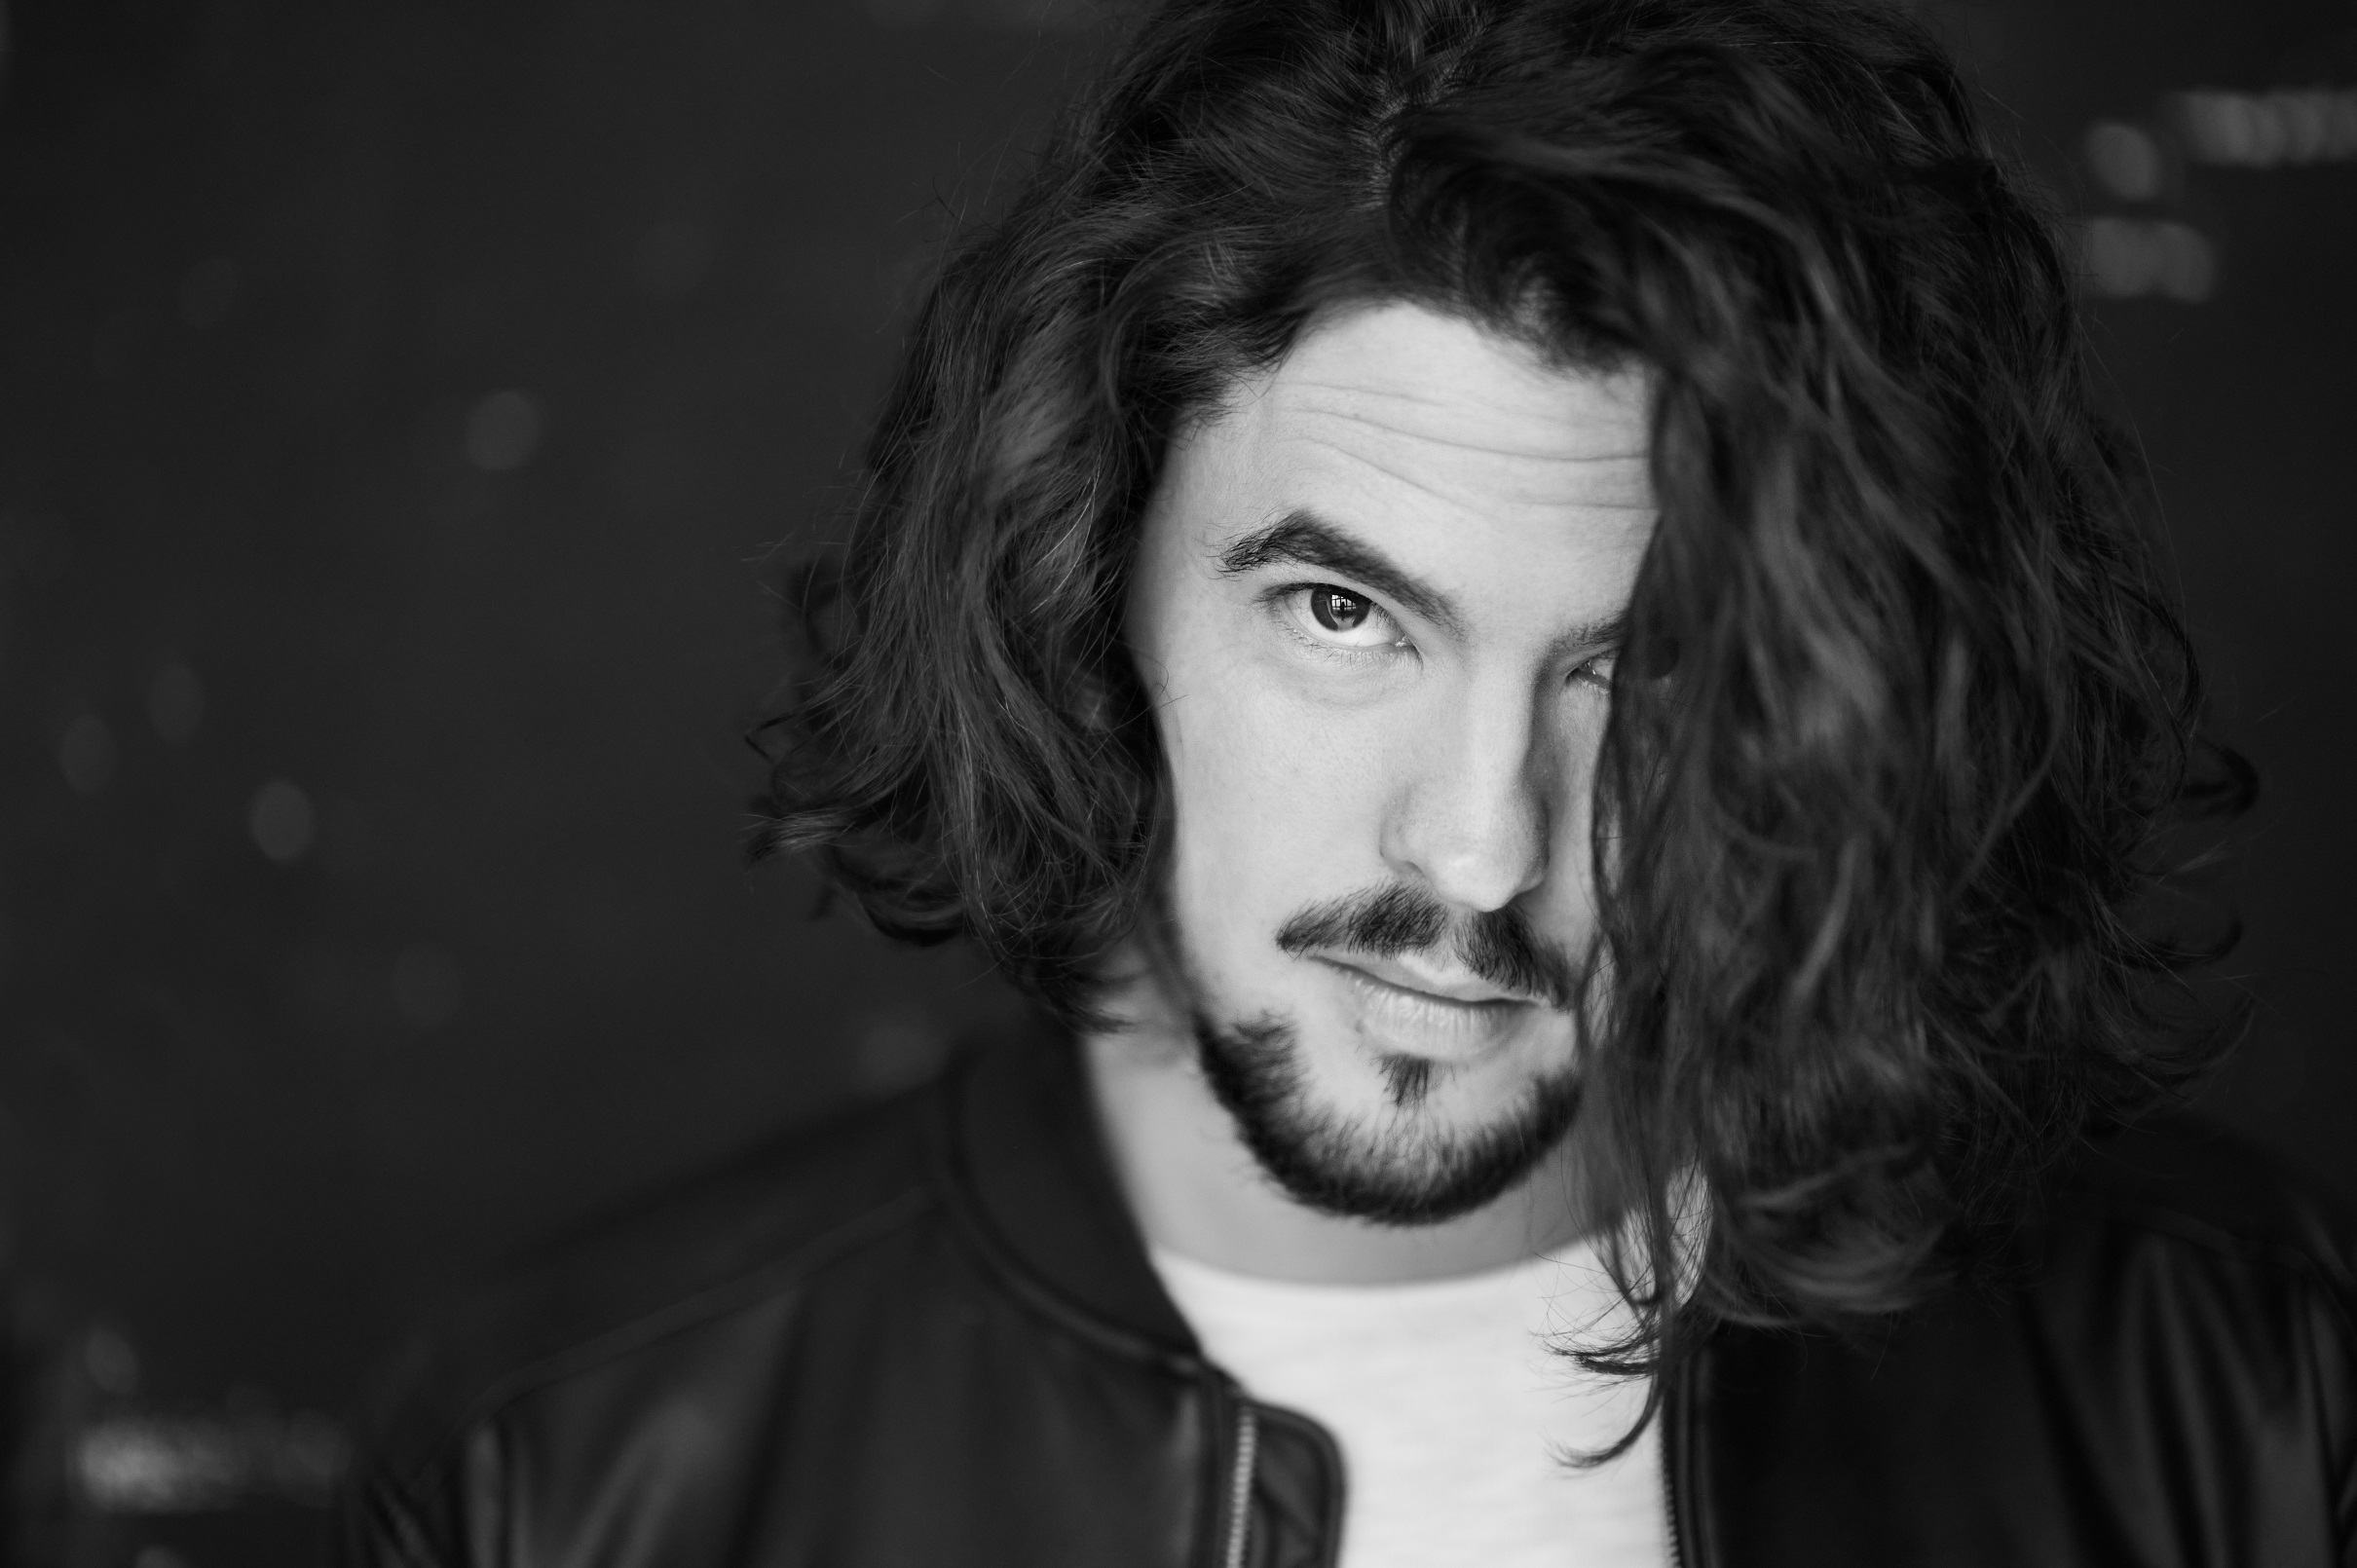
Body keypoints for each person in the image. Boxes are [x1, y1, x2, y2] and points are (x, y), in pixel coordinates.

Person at [337, 0, 2357, 1564]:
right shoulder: (565, 1476)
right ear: (1090, 566)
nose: (1479, 848)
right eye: (1342, 613)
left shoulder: (2250, 1377)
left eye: (1645, 672)